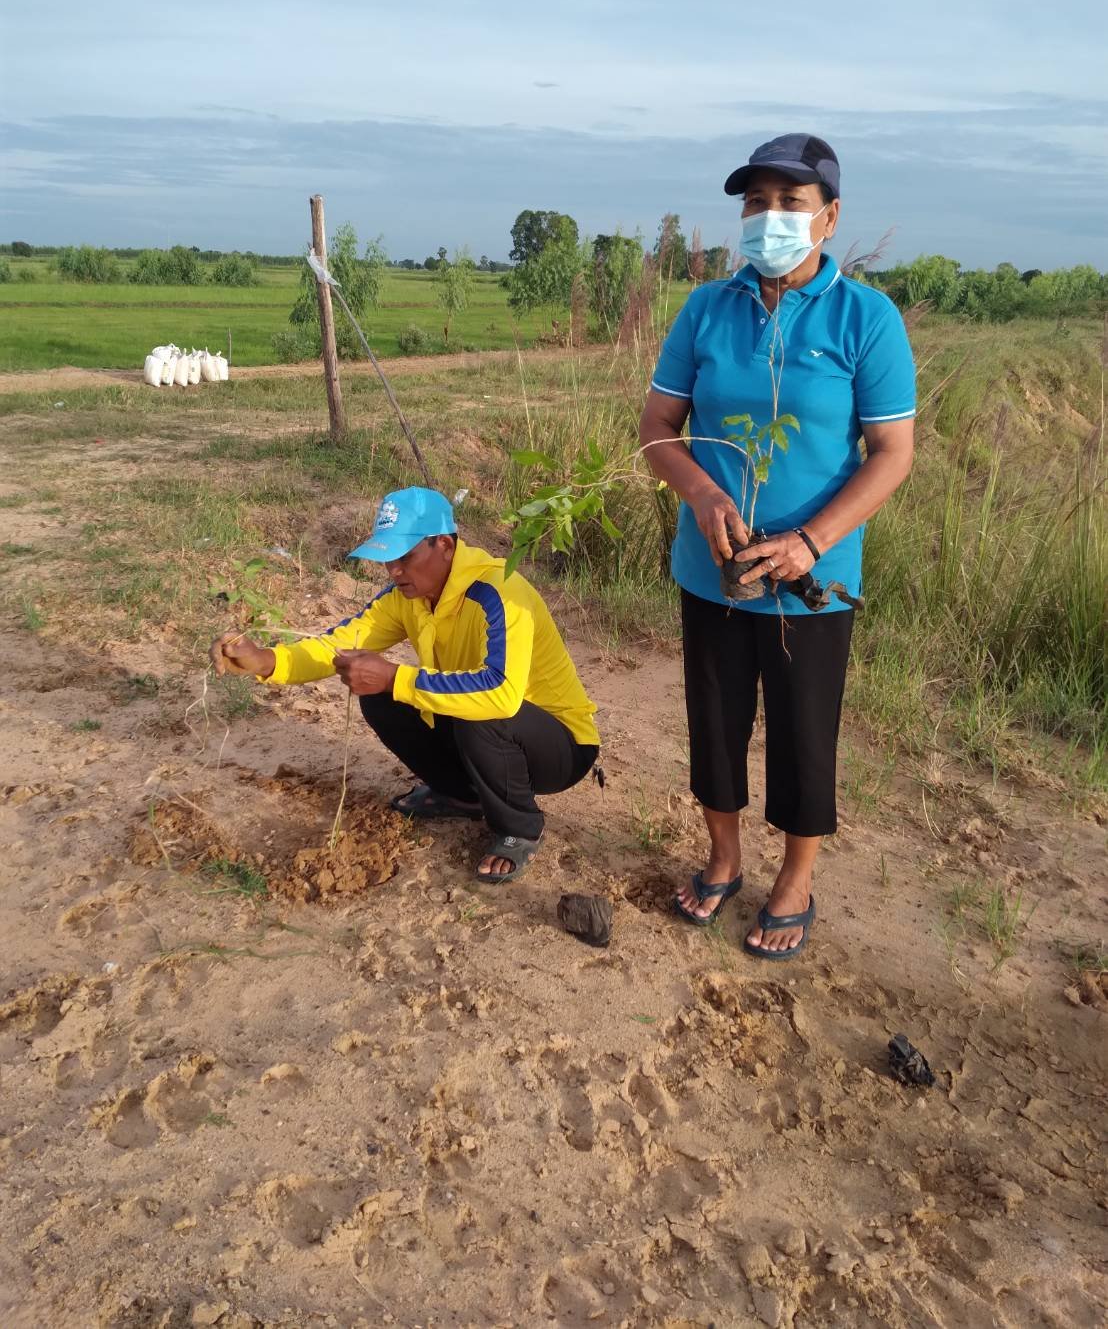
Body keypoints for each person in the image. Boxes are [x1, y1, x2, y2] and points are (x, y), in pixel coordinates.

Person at [639, 133, 915, 958]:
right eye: (754, 203)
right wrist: (703, 490)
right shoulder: (706, 309)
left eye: (789, 204)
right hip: (713, 566)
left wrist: (810, 540)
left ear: (828, 218)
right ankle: (723, 858)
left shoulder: (864, 318)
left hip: (811, 576)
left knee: (803, 729)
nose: (768, 219)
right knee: (716, 723)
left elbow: (891, 452)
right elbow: (658, 429)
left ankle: (794, 879)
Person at [210, 487, 600, 884]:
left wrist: (396, 676)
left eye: (406, 557)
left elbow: (500, 692)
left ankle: (519, 825)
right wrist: (267, 660)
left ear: (444, 545)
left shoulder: (500, 592)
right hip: (488, 732)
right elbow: (340, 643)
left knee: (475, 711)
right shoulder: (405, 597)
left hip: (561, 745)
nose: (394, 571)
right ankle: (463, 795)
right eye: (388, 559)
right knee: (380, 696)